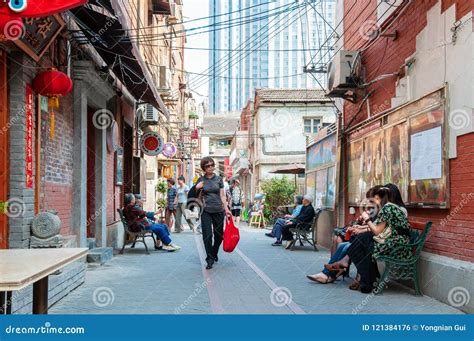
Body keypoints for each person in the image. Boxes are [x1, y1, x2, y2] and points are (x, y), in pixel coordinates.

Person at [324, 186, 411, 293]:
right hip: (395, 242)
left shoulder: (388, 208)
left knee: (363, 244)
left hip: (396, 246)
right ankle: (366, 280)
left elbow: (377, 231)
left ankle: (365, 280)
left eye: (376, 199)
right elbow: (380, 230)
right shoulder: (390, 208)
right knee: (363, 241)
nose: (375, 202)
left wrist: (367, 219)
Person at [306, 186, 382, 284]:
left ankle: (329, 274)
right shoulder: (378, 210)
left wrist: (364, 224)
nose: (372, 201)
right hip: (367, 238)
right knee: (341, 242)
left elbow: (377, 230)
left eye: (374, 198)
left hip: (373, 241)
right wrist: (360, 225)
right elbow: (374, 227)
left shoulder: (387, 210)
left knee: (345, 244)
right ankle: (330, 273)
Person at [196, 156, 232, 270]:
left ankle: (214, 252)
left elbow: (222, 195)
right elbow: (195, 194)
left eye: (212, 165)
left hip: (218, 210)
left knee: (219, 236)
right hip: (206, 211)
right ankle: (209, 259)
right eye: (208, 166)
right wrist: (197, 188)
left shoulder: (219, 179)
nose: (211, 167)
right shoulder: (201, 180)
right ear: (204, 168)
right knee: (207, 235)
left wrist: (226, 209)